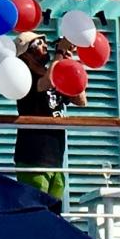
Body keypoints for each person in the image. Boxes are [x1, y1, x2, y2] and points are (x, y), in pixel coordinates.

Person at [10, 34, 73, 202]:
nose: (45, 46)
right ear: (25, 55)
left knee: (54, 215)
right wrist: (60, 50)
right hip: (33, 158)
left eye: (45, 42)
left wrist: (69, 63)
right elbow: (49, 82)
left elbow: (80, 99)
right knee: (35, 212)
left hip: (56, 158)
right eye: (38, 43)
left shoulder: (53, 74)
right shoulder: (24, 78)